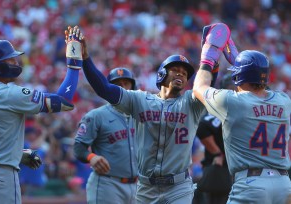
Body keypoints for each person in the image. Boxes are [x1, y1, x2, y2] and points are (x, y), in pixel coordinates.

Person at [75, 24, 216, 204]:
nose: (181, 74)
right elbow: (103, 89)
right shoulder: (140, 100)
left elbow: (207, 86)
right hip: (145, 188)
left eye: (184, 73)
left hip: (178, 188)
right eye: (176, 70)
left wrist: (211, 58)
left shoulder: (191, 102)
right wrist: (86, 58)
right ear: (162, 74)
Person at [193, 22, 291, 204]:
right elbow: (262, 91)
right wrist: (241, 61)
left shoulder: (232, 102)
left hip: (251, 184)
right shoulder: (284, 100)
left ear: (239, 77)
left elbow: (199, 88)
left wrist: (208, 58)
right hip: (284, 185)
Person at [0, 25, 83, 204]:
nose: (16, 63)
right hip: (0, 178)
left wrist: (17, 153)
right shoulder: (8, 92)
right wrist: (74, 64)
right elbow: (63, 101)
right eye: (10, 60)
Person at [74, 67, 138, 204]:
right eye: (117, 84)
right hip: (108, 184)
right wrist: (91, 157)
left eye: (126, 83)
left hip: (139, 185)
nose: (122, 87)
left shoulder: (141, 115)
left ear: (133, 86)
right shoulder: (96, 116)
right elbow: (78, 147)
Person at [194, 74, 234, 204]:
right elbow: (202, 127)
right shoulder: (220, 110)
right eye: (232, 88)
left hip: (233, 170)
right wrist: (217, 152)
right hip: (218, 169)